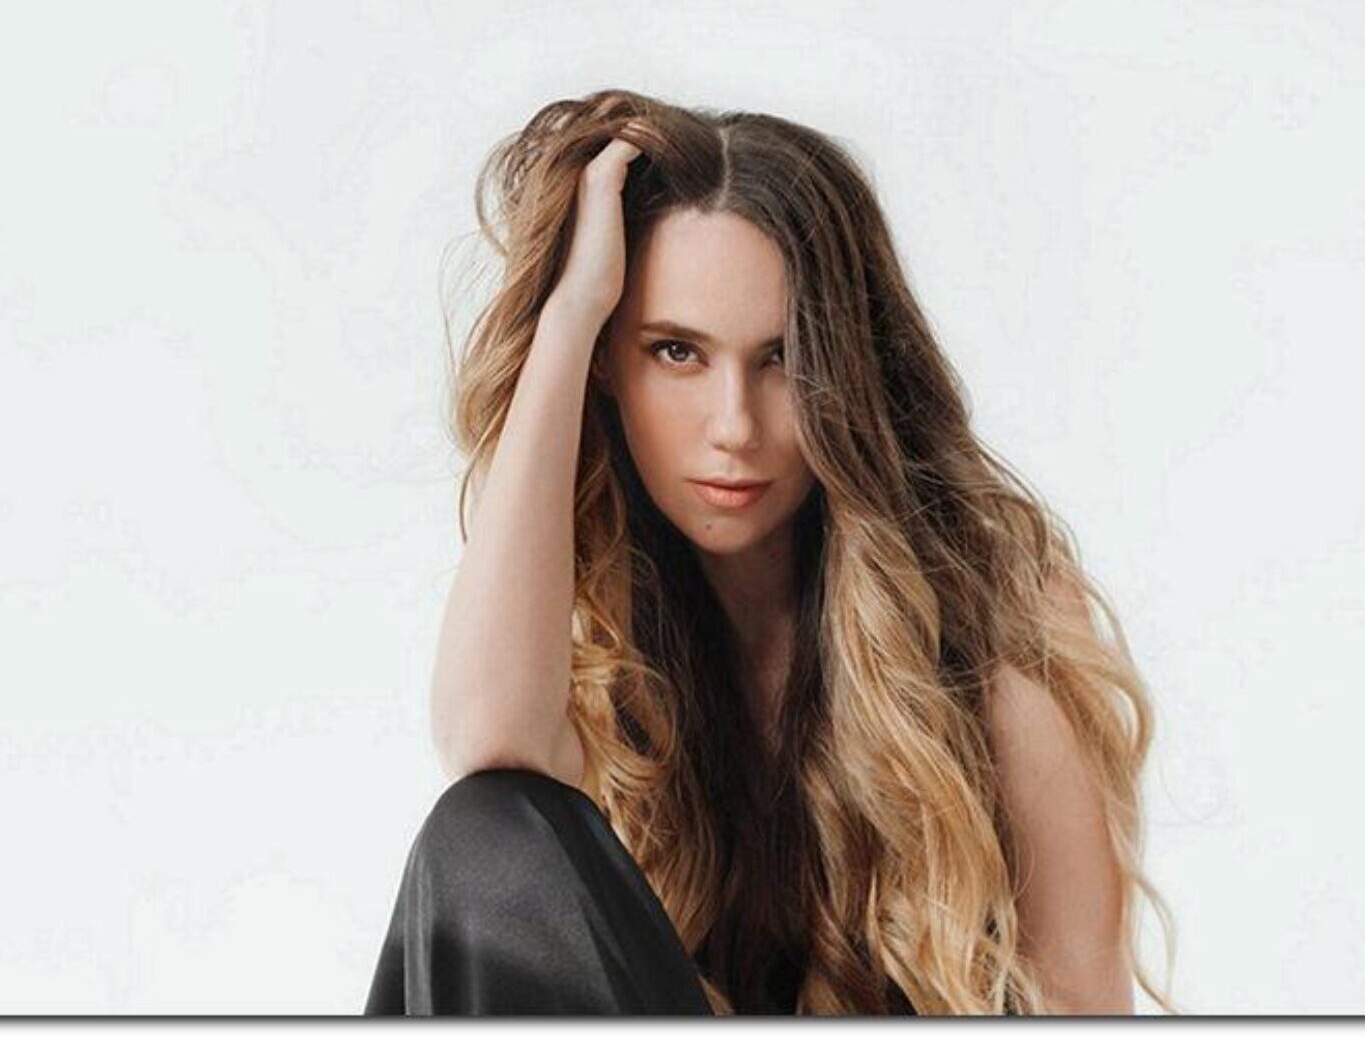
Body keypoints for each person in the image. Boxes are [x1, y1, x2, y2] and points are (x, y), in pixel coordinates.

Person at [364, 89, 1178, 1016]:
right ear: (608, 365)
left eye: (783, 358)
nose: (734, 427)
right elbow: (488, 736)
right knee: (485, 834)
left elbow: (1084, 1001)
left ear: (850, 372)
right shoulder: (592, 629)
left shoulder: (990, 617)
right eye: (676, 352)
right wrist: (567, 317)